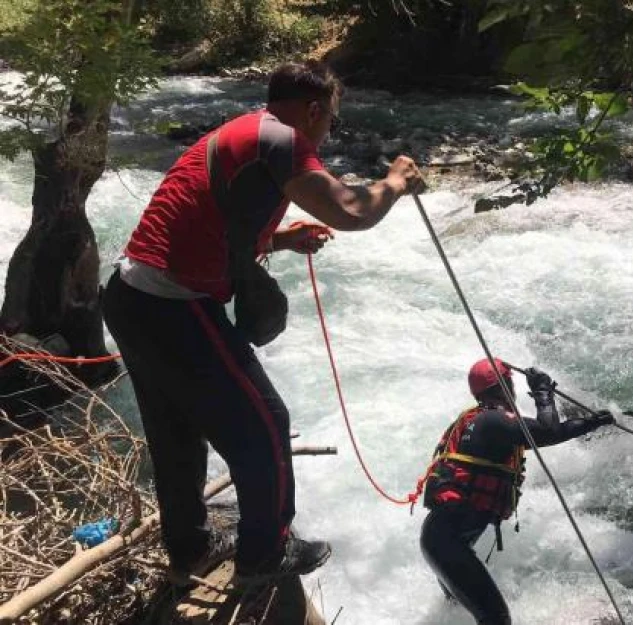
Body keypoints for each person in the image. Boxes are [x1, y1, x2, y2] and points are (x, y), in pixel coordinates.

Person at [102, 61, 424, 586]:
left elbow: (209, 226)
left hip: (130, 294)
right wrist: (396, 181)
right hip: (173, 304)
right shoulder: (283, 140)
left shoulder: (246, 133)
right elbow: (350, 210)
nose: (328, 133)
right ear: (315, 110)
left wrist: (282, 239)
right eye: (332, 123)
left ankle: (190, 549)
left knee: (176, 433)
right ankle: (264, 554)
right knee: (265, 425)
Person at [420, 358, 614, 625]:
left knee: (466, 609)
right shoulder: (492, 421)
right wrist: (542, 393)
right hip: (447, 543)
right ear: (504, 385)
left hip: (442, 539)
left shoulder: (483, 421)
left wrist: (591, 423)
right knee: (496, 619)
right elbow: (548, 429)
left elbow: (547, 434)